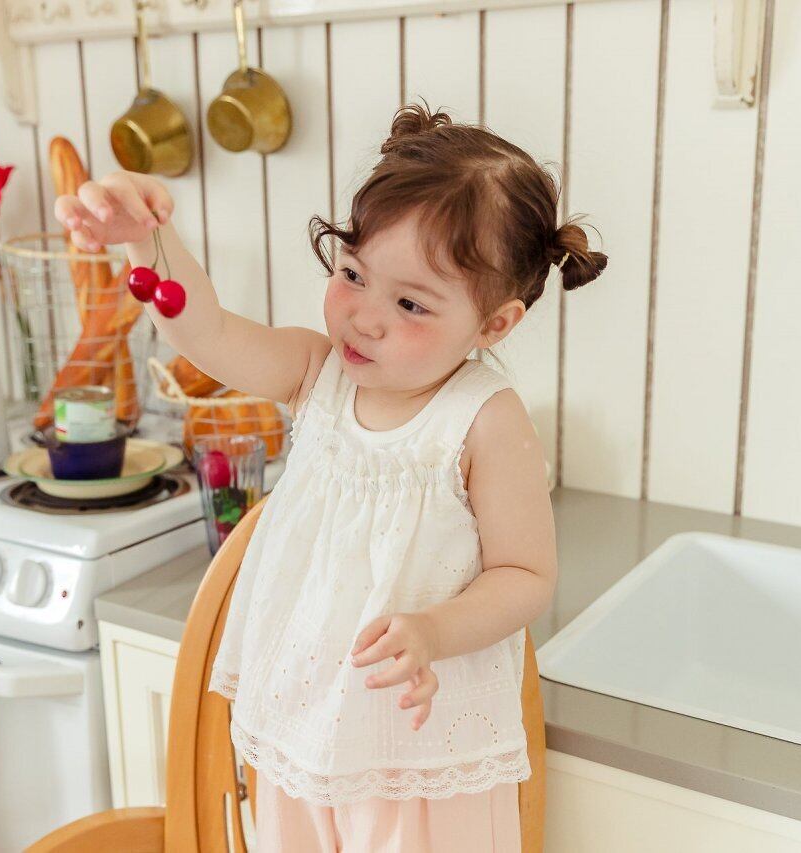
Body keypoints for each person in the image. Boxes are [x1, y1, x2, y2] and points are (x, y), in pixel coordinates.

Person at [55, 101, 607, 853]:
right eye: (353, 273)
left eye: (409, 302)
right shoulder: (316, 374)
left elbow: (526, 575)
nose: (364, 317)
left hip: (418, 747)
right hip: (304, 727)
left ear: (494, 324)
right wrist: (147, 239)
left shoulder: (483, 418)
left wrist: (434, 630)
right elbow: (207, 333)